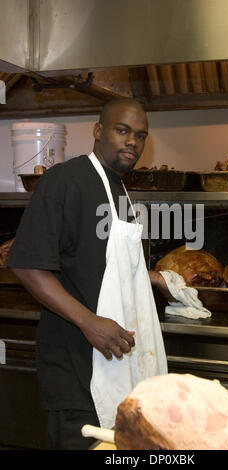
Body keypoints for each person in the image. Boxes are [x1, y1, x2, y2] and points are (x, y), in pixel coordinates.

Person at [7, 98, 171, 450]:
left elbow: (99, 262)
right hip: (76, 371)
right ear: (98, 131)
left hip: (114, 366)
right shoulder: (65, 181)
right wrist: (89, 322)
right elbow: (26, 263)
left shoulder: (119, 189)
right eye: (122, 130)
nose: (133, 142)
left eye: (140, 135)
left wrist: (151, 277)